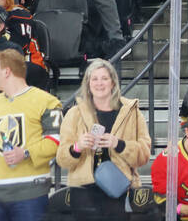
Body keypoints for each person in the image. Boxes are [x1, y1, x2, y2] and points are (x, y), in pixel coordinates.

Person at [56, 59, 152, 210]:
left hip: (118, 187)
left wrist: (119, 144)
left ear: (113, 83)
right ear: (88, 84)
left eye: (104, 78)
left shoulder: (131, 112)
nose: (99, 83)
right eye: (94, 79)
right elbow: (62, 159)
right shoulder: (74, 113)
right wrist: (77, 147)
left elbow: (144, 155)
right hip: (83, 190)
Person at [0, 47, 61, 221]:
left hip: (30, 192)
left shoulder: (46, 101)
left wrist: (25, 153)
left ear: (7, 71)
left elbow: (55, 140)